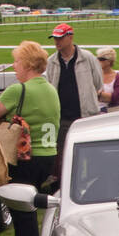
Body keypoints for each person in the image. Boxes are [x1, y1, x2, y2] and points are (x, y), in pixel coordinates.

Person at [0, 40, 60, 236]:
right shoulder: (50, 89)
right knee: (29, 202)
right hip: (48, 154)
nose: (14, 66)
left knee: (21, 205)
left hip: (26, 156)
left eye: (17, 62)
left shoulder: (17, 90)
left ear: (28, 64)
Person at [44, 22, 100, 164]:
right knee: (64, 157)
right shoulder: (51, 61)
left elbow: (98, 83)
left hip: (86, 116)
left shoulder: (87, 58)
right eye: (55, 38)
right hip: (61, 119)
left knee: (91, 156)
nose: (57, 41)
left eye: (60, 38)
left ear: (70, 37)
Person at [96, 47, 119, 113]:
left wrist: (97, 94)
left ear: (109, 61)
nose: (97, 61)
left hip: (111, 113)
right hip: (94, 112)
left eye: (100, 59)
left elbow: (116, 98)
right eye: (97, 58)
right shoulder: (93, 75)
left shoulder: (118, 77)